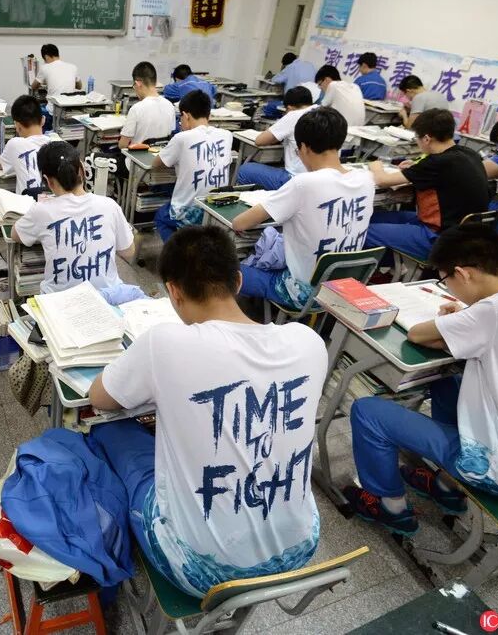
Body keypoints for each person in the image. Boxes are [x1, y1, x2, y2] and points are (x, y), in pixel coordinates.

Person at [87, 225, 326, 597]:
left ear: (174, 291)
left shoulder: (163, 343)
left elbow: (99, 399)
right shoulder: (309, 342)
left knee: (108, 431)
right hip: (300, 546)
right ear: (238, 281)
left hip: (203, 571)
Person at [343, 224, 498, 536]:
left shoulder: (497, 310)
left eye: (446, 281)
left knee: (368, 412)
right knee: (447, 383)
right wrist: (469, 315)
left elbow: (418, 334)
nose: (449, 289)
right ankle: (445, 486)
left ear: (463, 274)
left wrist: (459, 317)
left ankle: (390, 508)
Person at [233, 107, 375, 307]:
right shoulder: (367, 180)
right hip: (343, 288)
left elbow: (239, 223)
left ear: (304, 148)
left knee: (218, 269)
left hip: (304, 294)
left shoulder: (304, 184)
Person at [364, 108, 489, 260]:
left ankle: (387, 266)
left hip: (440, 238)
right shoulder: (469, 153)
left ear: (427, 139)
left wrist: (376, 165)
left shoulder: (437, 162)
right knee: (372, 217)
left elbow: (382, 180)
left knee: (362, 231)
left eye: (417, 138)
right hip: (465, 234)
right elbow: (443, 175)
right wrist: (416, 168)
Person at [12, 142, 134, 293]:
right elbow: (128, 251)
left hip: (60, 301)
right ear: (82, 170)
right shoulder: (109, 205)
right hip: (106, 297)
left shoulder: (41, 210)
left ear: (48, 181)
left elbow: (15, 235)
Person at [153, 89, 233, 240]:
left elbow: (156, 163)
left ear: (185, 115)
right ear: (209, 114)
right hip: (217, 210)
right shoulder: (227, 135)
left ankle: (179, 251)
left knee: (160, 217)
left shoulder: (181, 138)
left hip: (189, 212)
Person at [236, 86, 318, 190]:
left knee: (245, 170)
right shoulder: (323, 112)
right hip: (319, 178)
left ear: (289, 108)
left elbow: (259, 141)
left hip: (296, 180)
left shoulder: (293, 115)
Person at [118, 61, 176, 149]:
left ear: (138, 83)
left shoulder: (136, 109)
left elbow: (123, 145)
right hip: (161, 156)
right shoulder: (170, 106)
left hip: (136, 157)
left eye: (134, 85)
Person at [0, 95, 51, 195]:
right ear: (43, 120)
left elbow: (0, 165)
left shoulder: (14, 143)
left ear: (17, 126)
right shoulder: (55, 143)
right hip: (54, 202)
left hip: (26, 203)